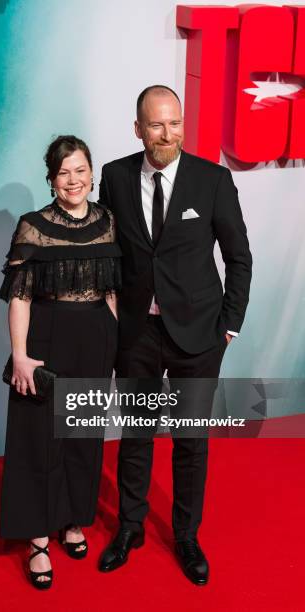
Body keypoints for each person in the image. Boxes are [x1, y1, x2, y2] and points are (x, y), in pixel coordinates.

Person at [98, 85, 252, 584]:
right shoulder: (115, 177)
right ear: (138, 128)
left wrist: (228, 325)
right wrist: (111, 312)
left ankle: (186, 536)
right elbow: (107, 253)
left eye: (175, 123)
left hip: (199, 335)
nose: (168, 134)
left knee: (190, 441)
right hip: (138, 332)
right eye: (157, 125)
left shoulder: (212, 180)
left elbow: (238, 258)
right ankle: (130, 527)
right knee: (136, 435)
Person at [0, 135, 121, 589]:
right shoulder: (33, 225)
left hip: (95, 339)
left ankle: (72, 520)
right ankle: (37, 541)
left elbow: (110, 288)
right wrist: (20, 356)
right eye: (64, 172)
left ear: (92, 173)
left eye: (81, 170)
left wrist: (113, 340)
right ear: (51, 179)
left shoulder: (107, 220)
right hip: (45, 340)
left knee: (83, 437)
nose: (74, 180)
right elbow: (19, 296)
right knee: (38, 439)